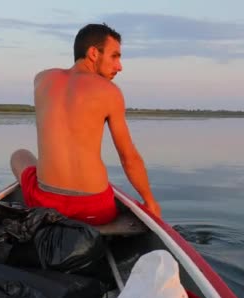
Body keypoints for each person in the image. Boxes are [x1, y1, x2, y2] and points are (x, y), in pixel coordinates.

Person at [10, 23, 161, 225]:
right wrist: (150, 201)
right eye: (114, 56)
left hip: (45, 204)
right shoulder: (110, 91)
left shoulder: (41, 79)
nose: (119, 66)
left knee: (19, 155)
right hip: (94, 209)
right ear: (93, 53)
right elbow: (128, 158)